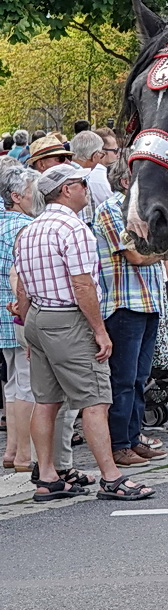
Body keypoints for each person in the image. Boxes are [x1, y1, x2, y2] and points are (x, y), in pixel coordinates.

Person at [13, 165, 152, 501]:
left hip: (39, 318)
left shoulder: (30, 231)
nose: (86, 190)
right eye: (81, 184)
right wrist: (99, 331)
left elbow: (22, 288)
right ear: (65, 190)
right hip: (68, 319)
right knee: (95, 400)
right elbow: (82, 284)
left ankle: (47, 475)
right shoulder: (74, 229)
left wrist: (30, 328)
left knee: (46, 401)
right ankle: (111, 476)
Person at [92, 170, 168, 466]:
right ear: (126, 181)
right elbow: (135, 255)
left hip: (148, 303)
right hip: (124, 306)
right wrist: (165, 250)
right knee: (123, 380)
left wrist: (158, 251)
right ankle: (120, 445)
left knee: (139, 379)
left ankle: (134, 437)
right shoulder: (111, 210)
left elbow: (147, 252)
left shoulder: (140, 209)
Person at [0, 166, 38, 472]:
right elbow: (22, 276)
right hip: (17, 313)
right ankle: (25, 455)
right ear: (16, 196)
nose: (34, 198)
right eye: (30, 193)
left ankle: (13, 451)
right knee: (26, 384)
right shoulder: (24, 227)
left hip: (3, 315)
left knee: (13, 384)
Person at [68, 129, 114, 218]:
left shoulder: (62, 172)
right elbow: (86, 219)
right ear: (94, 156)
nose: (101, 158)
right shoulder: (81, 179)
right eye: (101, 154)